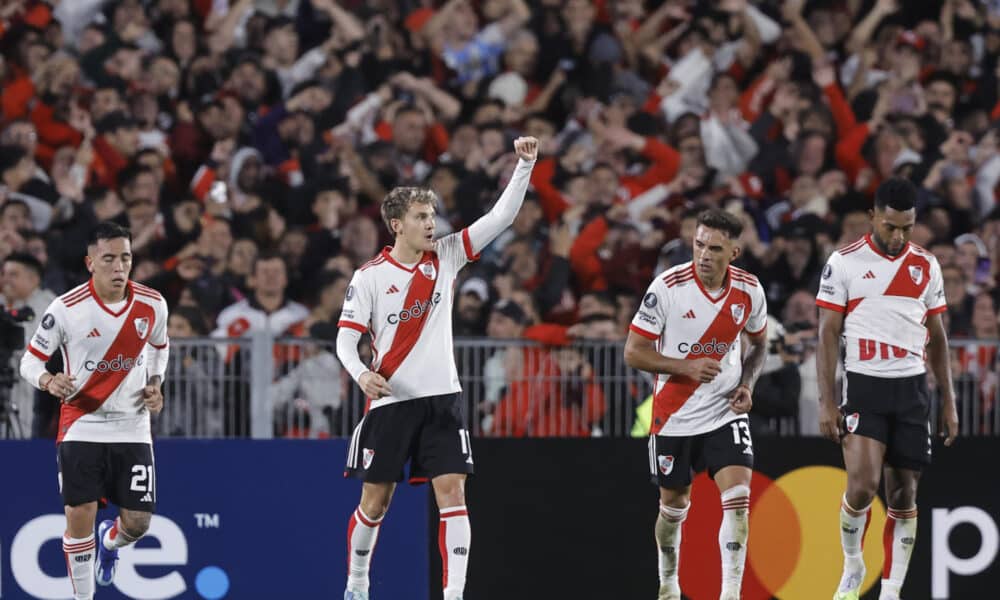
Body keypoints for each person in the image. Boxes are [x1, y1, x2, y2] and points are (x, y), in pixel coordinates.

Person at [336, 136, 539, 600]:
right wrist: (361, 374)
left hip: (444, 401)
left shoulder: (446, 256)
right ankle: (357, 584)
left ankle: (454, 595)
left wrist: (524, 166)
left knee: (453, 493)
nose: (432, 224)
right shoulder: (369, 277)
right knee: (376, 501)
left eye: (432, 216)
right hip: (391, 404)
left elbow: (501, 218)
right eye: (421, 218)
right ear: (396, 225)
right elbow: (345, 340)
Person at [815, 178, 958, 600]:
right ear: (873, 216)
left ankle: (892, 591)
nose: (897, 236)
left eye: (906, 228)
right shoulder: (844, 263)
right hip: (864, 384)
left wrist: (948, 401)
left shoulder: (926, 265)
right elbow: (826, 334)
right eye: (890, 226)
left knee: (904, 492)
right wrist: (827, 401)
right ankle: (853, 566)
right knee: (861, 485)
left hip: (912, 388)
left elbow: (938, 335)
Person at [623, 209, 769, 600]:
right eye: (699, 244)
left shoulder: (749, 291)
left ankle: (731, 594)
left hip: (724, 410)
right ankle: (668, 581)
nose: (704, 254)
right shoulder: (668, 288)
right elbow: (634, 353)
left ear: (733, 253)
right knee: (674, 505)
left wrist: (747, 384)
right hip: (674, 415)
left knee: (738, 498)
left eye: (714, 248)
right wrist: (683, 365)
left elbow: (759, 345)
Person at [18, 222, 169, 600]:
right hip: (82, 423)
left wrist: (156, 382)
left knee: (137, 524)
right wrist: (49, 382)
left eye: (126, 258)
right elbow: (29, 362)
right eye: (109, 259)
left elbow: (159, 346)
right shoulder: (66, 309)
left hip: (133, 426)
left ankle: (110, 543)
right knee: (79, 513)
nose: (119, 267)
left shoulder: (153, 304)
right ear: (90, 263)